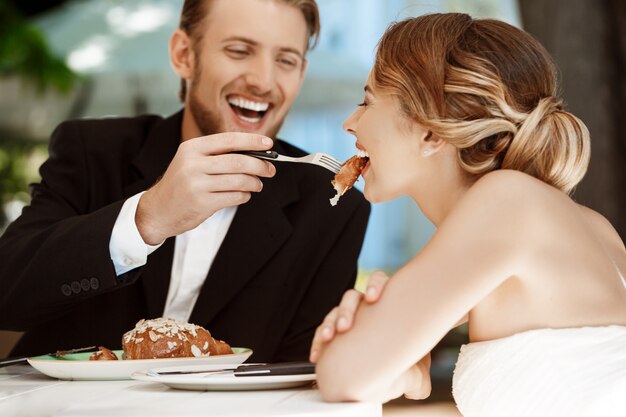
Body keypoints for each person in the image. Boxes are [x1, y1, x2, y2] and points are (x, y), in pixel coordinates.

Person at [0, 0, 370, 362]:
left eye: (285, 60)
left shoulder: (332, 208)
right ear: (183, 54)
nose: (263, 81)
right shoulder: (92, 152)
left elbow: (304, 372)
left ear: (300, 75)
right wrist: (146, 218)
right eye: (239, 50)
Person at [310, 13, 626, 416]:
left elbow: (343, 375)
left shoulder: (507, 202)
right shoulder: (588, 225)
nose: (349, 123)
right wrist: (400, 367)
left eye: (367, 102)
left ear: (431, 132)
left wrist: (359, 328)